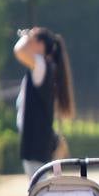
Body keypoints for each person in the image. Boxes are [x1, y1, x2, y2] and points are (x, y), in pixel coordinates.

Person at [13, 27, 75, 177]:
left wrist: (25, 36)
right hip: (37, 139)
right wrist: (30, 37)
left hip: (36, 140)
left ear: (40, 45)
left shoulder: (41, 64)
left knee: (38, 189)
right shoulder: (43, 66)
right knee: (39, 187)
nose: (27, 43)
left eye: (32, 40)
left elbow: (19, 51)